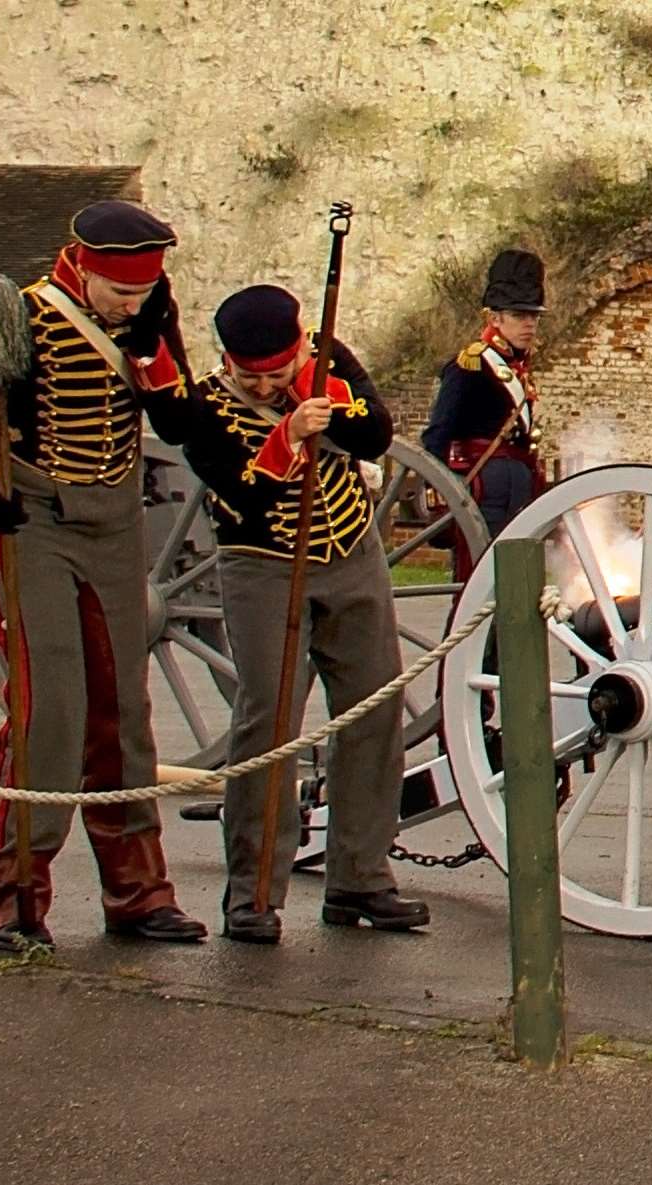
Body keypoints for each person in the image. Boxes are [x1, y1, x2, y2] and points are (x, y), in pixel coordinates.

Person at [0, 199, 207, 950]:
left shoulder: (152, 310)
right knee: (49, 710)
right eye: (120, 293)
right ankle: (12, 900)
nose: (132, 303)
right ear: (84, 270)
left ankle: (139, 894)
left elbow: (179, 425)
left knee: (123, 711)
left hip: (115, 519)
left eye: (141, 291)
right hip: (38, 519)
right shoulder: (21, 313)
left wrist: (154, 351)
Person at [182, 284, 428, 942]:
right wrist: (287, 433)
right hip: (262, 564)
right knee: (270, 724)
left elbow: (375, 435)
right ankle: (253, 890)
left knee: (373, 711)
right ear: (229, 363)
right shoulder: (205, 406)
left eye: (277, 374)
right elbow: (241, 493)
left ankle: (360, 874)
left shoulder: (325, 359)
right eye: (251, 377)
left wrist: (324, 402)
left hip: (350, 548)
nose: (264, 387)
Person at [421, 249, 546, 577]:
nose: (529, 323)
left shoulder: (517, 368)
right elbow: (438, 433)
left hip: (517, 487)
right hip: (484, 489)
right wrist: (443, 492)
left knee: (515, 580)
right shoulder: (471, 365)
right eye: (519, 315)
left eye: (533, 315)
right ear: (494, 319)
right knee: (477, 579)